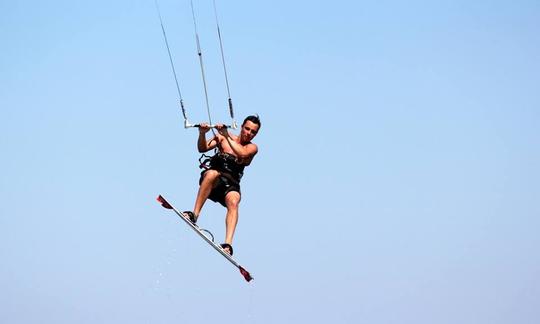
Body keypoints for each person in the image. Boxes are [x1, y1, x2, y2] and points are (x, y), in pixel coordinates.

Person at [183, 115, 261, 256]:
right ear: (242, 127)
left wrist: (225, 135)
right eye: (247, 129)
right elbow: (202, 148)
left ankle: (228, 244)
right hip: (214, 181)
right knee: (212, 174)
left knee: (234, 200)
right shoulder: (223, 138)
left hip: (231, 184)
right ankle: (194, 214)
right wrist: (202, 133)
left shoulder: (252, 148)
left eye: (253, 132)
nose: (249, 133)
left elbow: (241, 153)